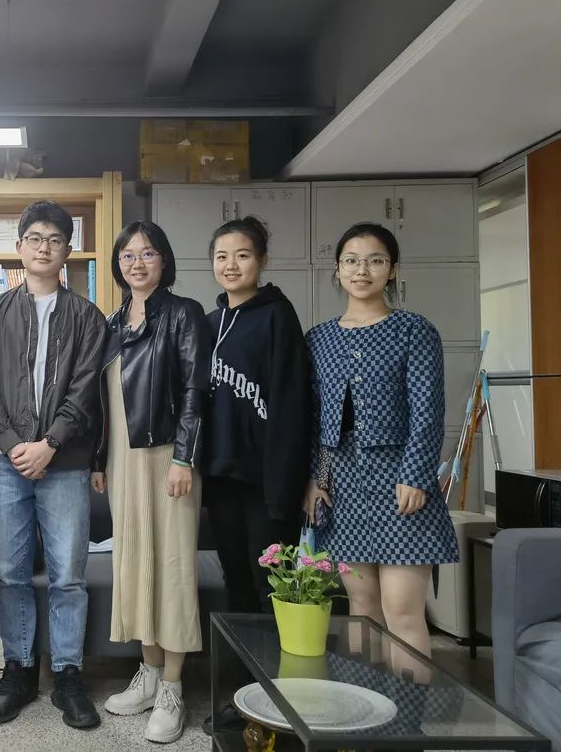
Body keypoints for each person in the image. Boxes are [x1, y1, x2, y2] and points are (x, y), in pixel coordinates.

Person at [0, 200, 106, 730]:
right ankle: (20, 669)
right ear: (20, 247)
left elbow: (86, 389)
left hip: (65, 462)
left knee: (68, 575)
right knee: (9, 574)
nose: (44, 247)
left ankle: (69, 674)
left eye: (54, 239)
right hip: (7, 462)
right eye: (35, 238)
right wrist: (13, 445)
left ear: (67, 250)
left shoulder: (87, 316)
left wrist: (50, 443)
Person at [305, 222, 458, 667]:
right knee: (362, 607)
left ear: (392, 270)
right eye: (351, 261)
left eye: (375, 261)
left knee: (402, 610)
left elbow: (428, 409)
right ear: (338, 269)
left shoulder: (414, 330)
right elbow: (317, 421)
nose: (362, 270)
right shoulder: (319, 339)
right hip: (343, 484)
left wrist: (415, 475)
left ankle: (407, 711)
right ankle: (366, 704)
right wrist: (316, 481)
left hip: (400, 481)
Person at [91, 221, 210, 744]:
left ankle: (173, 689)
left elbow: (195, 391)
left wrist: (185, 457)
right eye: (128, 255)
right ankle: (149, 674)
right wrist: (99, 459)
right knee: (134, 564)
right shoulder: (112, 322)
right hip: (123, 459)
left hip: (167, 456)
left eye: (147, 253)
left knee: (173, 567)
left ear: (164, 260)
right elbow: (103, 400)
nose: (136, 263)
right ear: (118, 264)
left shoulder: (183, 313)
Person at [203, 215, 310, 614]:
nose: (231, 265)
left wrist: (289, 481)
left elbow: (293, 401)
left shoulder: (277, 316)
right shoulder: (209, 324)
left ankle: (280, 658)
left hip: (267, 481)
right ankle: (243, 657)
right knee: (236, 580)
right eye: (222, 256)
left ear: (262, 260)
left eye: (242, 255)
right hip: (221, 477)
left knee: (273, 582)